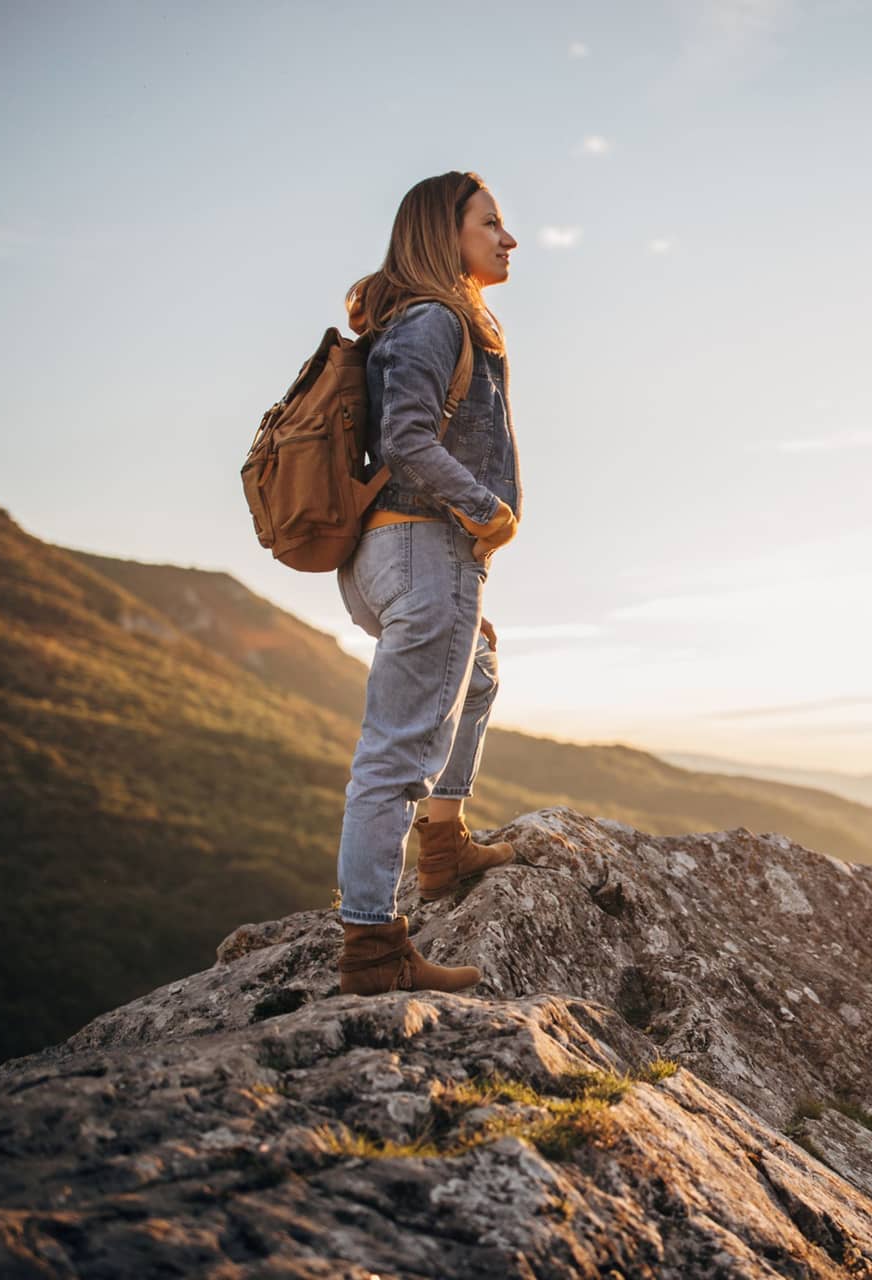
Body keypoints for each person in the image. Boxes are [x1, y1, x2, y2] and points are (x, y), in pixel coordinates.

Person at [331, 170, 524, 995]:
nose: (508, 239)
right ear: (446, 235)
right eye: (492, 223)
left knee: (476, 677)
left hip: (394, 557)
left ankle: (442, 852)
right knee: (392, 758)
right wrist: (488, 512)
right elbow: (408, 440)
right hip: (423, 549)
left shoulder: (422, 321)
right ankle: (374, 952)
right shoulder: (435, 320)